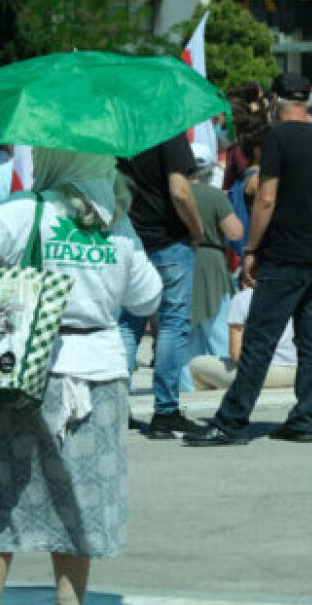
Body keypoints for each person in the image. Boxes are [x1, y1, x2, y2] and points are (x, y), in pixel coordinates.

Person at [0, 129, 161, 605]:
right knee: (78, 505)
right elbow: (148, 295)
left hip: (18, 374)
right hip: (99, 377)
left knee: (1, 497)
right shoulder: (116, 225)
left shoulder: (24, 211)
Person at [184, 72, 312, 447]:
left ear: (276, 100)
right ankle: (304, 418)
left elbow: (267, 198)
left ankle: (232, 420)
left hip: (284, 252)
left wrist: (252, 249)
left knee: (259, 339)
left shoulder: (276, 137)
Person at [116, 132, 205, 438]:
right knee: (172, 323)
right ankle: (166, 411)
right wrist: (197, 230)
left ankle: (115, 406)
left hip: (129, 239)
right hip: (168, 240)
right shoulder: (167, 132)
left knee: (128, 324)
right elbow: (180, 192)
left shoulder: (119, 133)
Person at [180, 144, 242, 392]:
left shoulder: (171, 196)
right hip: (212, 262)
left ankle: (187, 389)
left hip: (180, 259)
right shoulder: (214, 196)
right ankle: (226, 386)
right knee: (219, 330)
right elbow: (235, 231)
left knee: (185, 333)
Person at [187, 286, 297, 392]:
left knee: (196, 365)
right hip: (297, 372)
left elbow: (236, 355)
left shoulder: (244, 297)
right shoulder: (298, 294)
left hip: (262, 374)